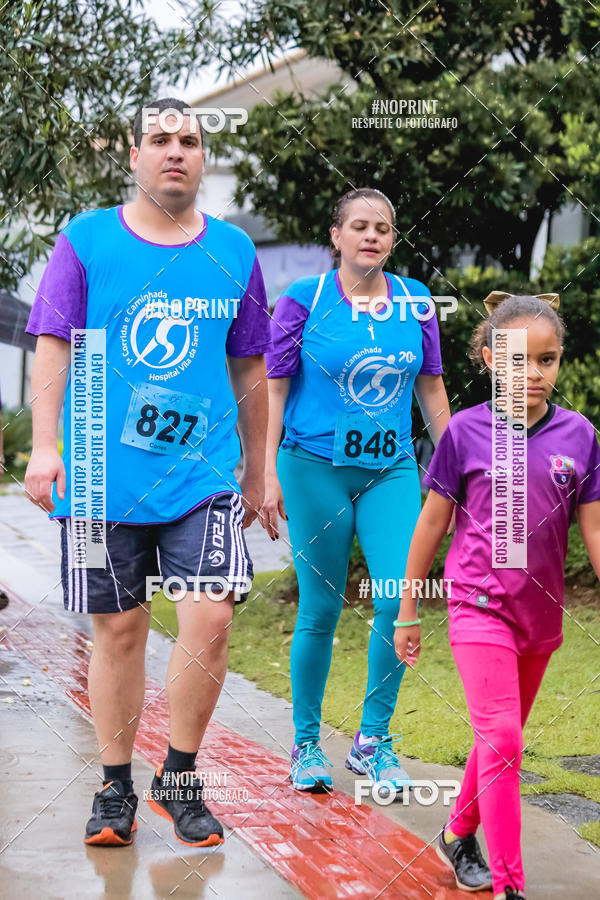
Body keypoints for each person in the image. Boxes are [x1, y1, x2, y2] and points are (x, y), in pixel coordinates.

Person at [24, 97, 271, 847]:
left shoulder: (233, 252)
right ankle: (114, 786)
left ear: (203, 159)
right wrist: (44, 445)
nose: (175, 151)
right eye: (159, 139)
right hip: (99, 472)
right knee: (119, 629)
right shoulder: (87, 240)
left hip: (202, 474)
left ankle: (182, 774)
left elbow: (251, 366)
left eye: (189, 141)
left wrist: (259, 471)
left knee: (211, 617)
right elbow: (54, 343)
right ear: (133, 156)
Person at [394, 293, 600, 899]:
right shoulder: (464, 432)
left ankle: (458, 832)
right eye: (517, 361)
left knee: (496, 744)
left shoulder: (581, 436)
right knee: (505, 739)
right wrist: (408, 610)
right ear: (488, 360)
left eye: (547, 360)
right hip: (477, 604)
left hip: (541, 617)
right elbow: (431, 524)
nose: (532, 374)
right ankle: (511, 886)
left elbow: (594, 530)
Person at [261, 187, 450, 793]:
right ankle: (307, 744)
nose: (372, 236)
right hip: (312, 466)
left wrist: (458, 467)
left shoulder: (417, 301)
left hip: (390, 469)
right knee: (320, 607)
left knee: (400, 596)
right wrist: (266, 472)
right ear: (336, 237)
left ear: (393, 240)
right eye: (360, 226)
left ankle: (374, 740)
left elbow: (432, 391)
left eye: (384, 229)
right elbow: (274, 391)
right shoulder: (301, 301)